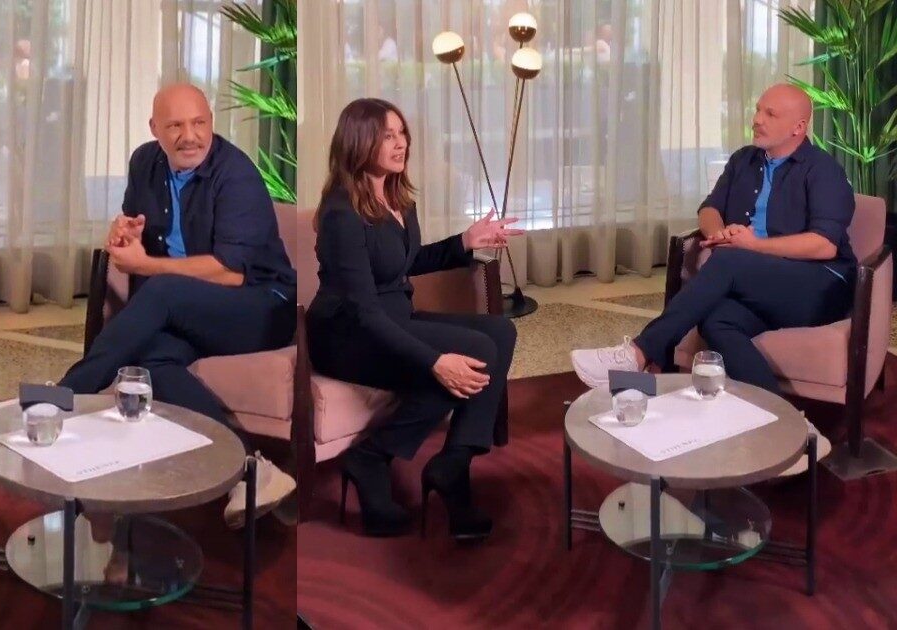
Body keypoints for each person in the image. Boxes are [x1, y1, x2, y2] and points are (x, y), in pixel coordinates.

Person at [57, 84, 297, 527]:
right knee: (150, 361)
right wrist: (124, 234)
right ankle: (252, 470)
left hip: (264, 305)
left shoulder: (236, 174)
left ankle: (63, 398)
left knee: (163, 288)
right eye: (175, 126)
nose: (190, 136)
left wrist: (147, 265)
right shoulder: (144, 162)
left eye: (199, 123)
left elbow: (232, 273)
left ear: (211, 122)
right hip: (194, 308)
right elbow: (134, 228)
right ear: (155, 129)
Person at [308, 98, 520, 540]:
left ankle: (453, 463)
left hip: (393, 319)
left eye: (402, 133)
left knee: (500, 330)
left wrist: (465, 241)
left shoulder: (397, 198)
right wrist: (434, 361)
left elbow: (404, 263)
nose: (400, 142)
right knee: (475, 351)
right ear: (359, 141)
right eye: (387, 135)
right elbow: (364, 311)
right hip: (347, 337)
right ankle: (373, 456)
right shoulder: (341, 213)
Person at [570, 84, 855, 393]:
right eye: (758, 110)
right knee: (717, 321)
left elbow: (824, 245)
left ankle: (639, 353)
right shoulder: (744, 160)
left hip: (818, 287)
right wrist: (719, 233)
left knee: (730, 259)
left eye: (770, 114)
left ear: (798, 127)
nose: (757, 119)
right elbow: (709, 208)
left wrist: (752, 246)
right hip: (758, 282)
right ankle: (782, 413)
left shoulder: (823, 170)